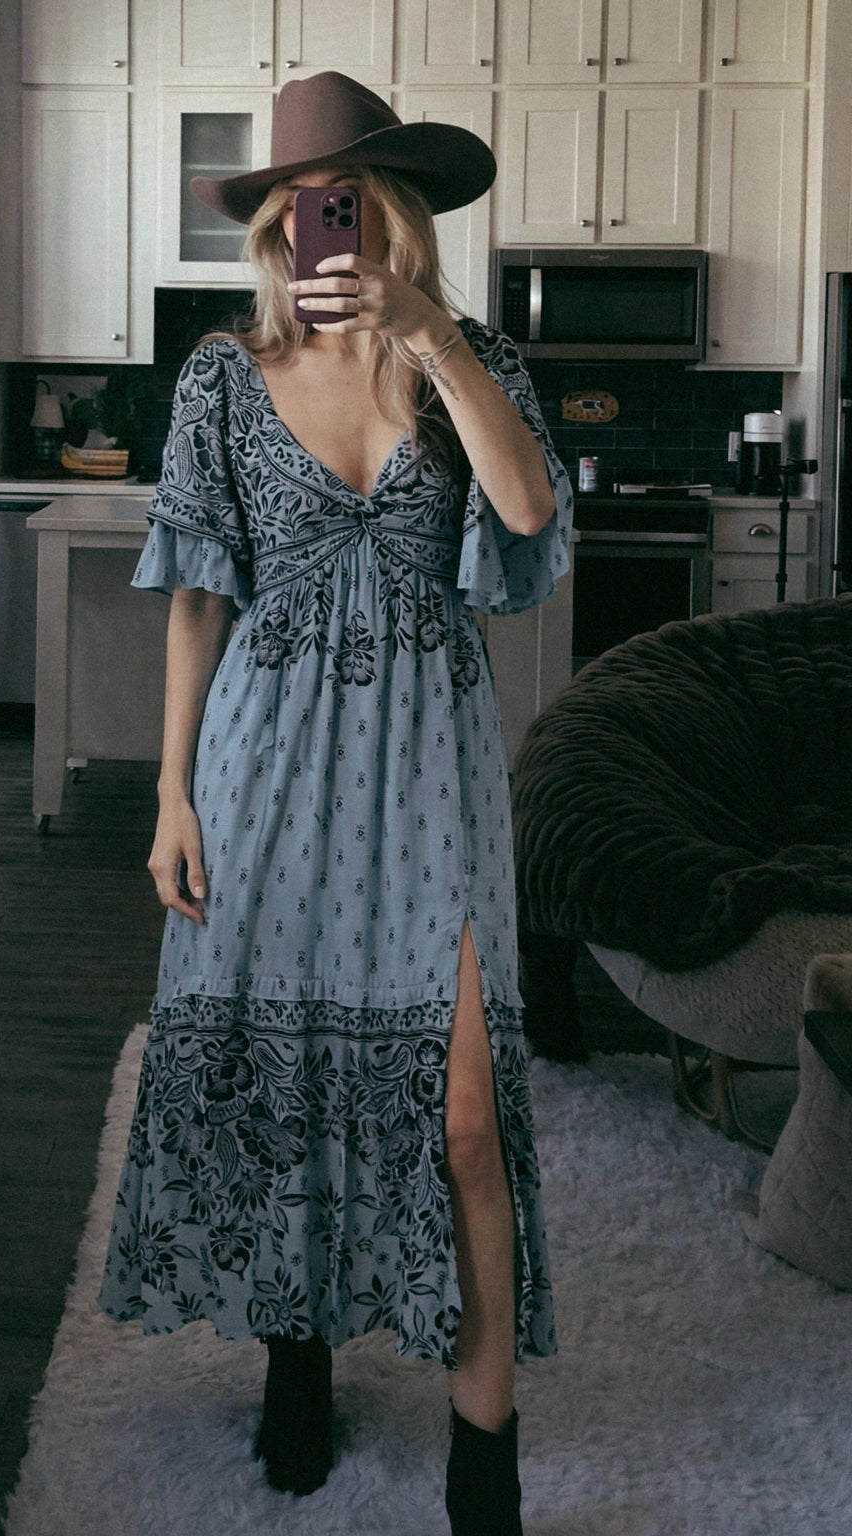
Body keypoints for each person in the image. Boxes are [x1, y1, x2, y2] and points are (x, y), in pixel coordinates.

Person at [100, 71, 572, 1536]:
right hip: (264, 769)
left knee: (467, 1122)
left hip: (432, 772)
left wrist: (429, 335)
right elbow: (196, 597)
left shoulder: (470, 358)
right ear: (275, 226)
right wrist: (172, 792)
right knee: (287, 1091)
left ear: (396, 208)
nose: (328, 226)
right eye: (305, 205)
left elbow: (528, 513)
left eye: (352, 199)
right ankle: (294, 1359)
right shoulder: (220, 379)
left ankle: (484, 1461)